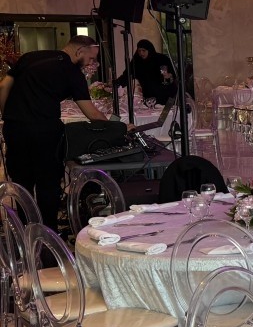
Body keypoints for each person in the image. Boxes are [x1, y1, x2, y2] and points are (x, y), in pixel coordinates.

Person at [0, 36, 109, 228]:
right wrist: (118, 128)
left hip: (15, 129)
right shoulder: (72, 72)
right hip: (45, 131)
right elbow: (92, 113)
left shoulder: (29, 57)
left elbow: (3, 86)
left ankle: (25, 230)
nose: (90, 63)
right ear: (79, 51)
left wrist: (7, 115)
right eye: (91, 58)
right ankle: (48, 232)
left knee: (21, 184)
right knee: (48, 184)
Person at [115, 38, 176, 105]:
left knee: (168, 112)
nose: (141, 53)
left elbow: (174, 75)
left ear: (149, 50)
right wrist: (116, 84)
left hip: (168, 97)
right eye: (139, 51)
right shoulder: (137, 62)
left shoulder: (162, 59)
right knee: (150, 111)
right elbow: (126, 76)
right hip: (149, 99)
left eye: (143, 50)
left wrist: (169, 75)